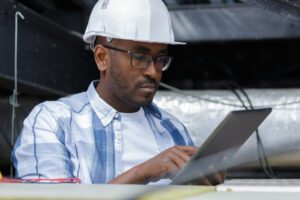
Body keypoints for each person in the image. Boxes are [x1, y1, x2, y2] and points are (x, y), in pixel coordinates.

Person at [12, 0, 223, 185]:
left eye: (160, 59)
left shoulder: (172, 129)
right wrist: (143, 173)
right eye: (140, 57)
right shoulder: (54, 122)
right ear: (102, 58)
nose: (153, 71)